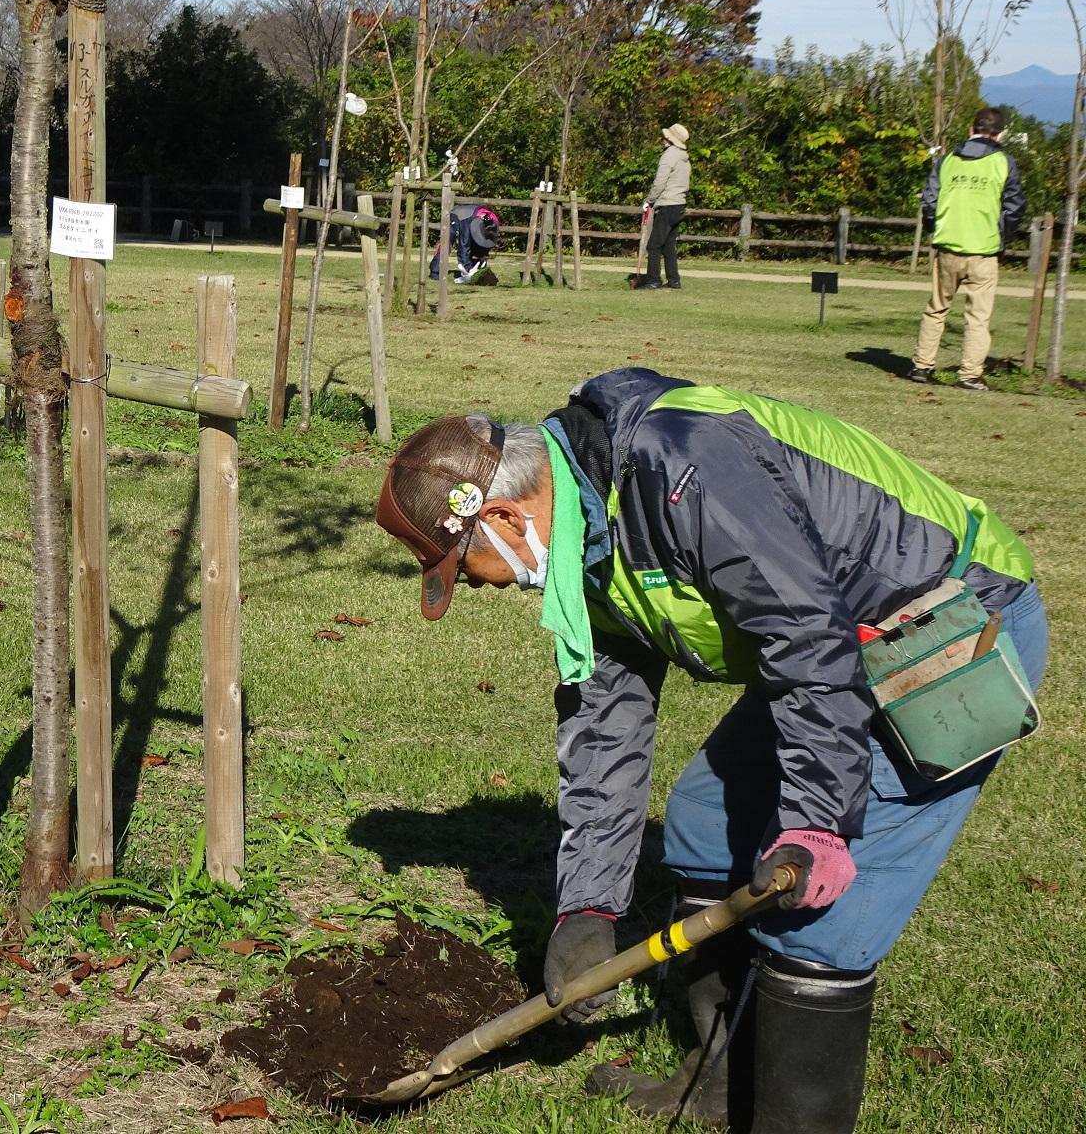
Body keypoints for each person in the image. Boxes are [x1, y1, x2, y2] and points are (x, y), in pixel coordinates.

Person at [375, 367, 1045, 1133]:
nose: (482, 587)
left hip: (946, 633)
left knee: (815, 919)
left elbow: (803, 636)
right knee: (700, 825)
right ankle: (724, 1082)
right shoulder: (580, 539)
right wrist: (589, 902)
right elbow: (606, 724)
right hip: (833, 652)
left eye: (464, 567)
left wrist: (818, 821)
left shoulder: (685, 470)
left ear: (501, 516)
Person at [909, 106, 1026, 391]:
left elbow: (929, 201)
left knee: (936, 309)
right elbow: (1015, 206)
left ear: (970, 129)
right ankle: (970, 374)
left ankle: (922, 366)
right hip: (984, 250)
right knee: (978, 316)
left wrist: (937, 229)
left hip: (948, 246)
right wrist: (1002, 238)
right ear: (1000, 134)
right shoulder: (1004, 162)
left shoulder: (947, 160)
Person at [638, 123, 691, 290]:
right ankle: (674, 280)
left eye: (665, 137)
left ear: (669, 140)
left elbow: (660, 182)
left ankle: (653, 280)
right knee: (668, 245)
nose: (662, 139)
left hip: (668, 204)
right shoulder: (684, 157)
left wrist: (649, 200)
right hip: (680, 204)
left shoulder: (669, 156)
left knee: (653, 245)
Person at [428, 203, 502, 286]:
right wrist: (466, 268)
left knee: (477, 246)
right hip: (458, 216)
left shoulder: (493, 223)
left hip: (473, 218)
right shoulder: (468, 222)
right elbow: (464, 246)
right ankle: (435, 271)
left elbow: (486, 243)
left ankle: (476, 268)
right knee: (447, 241)